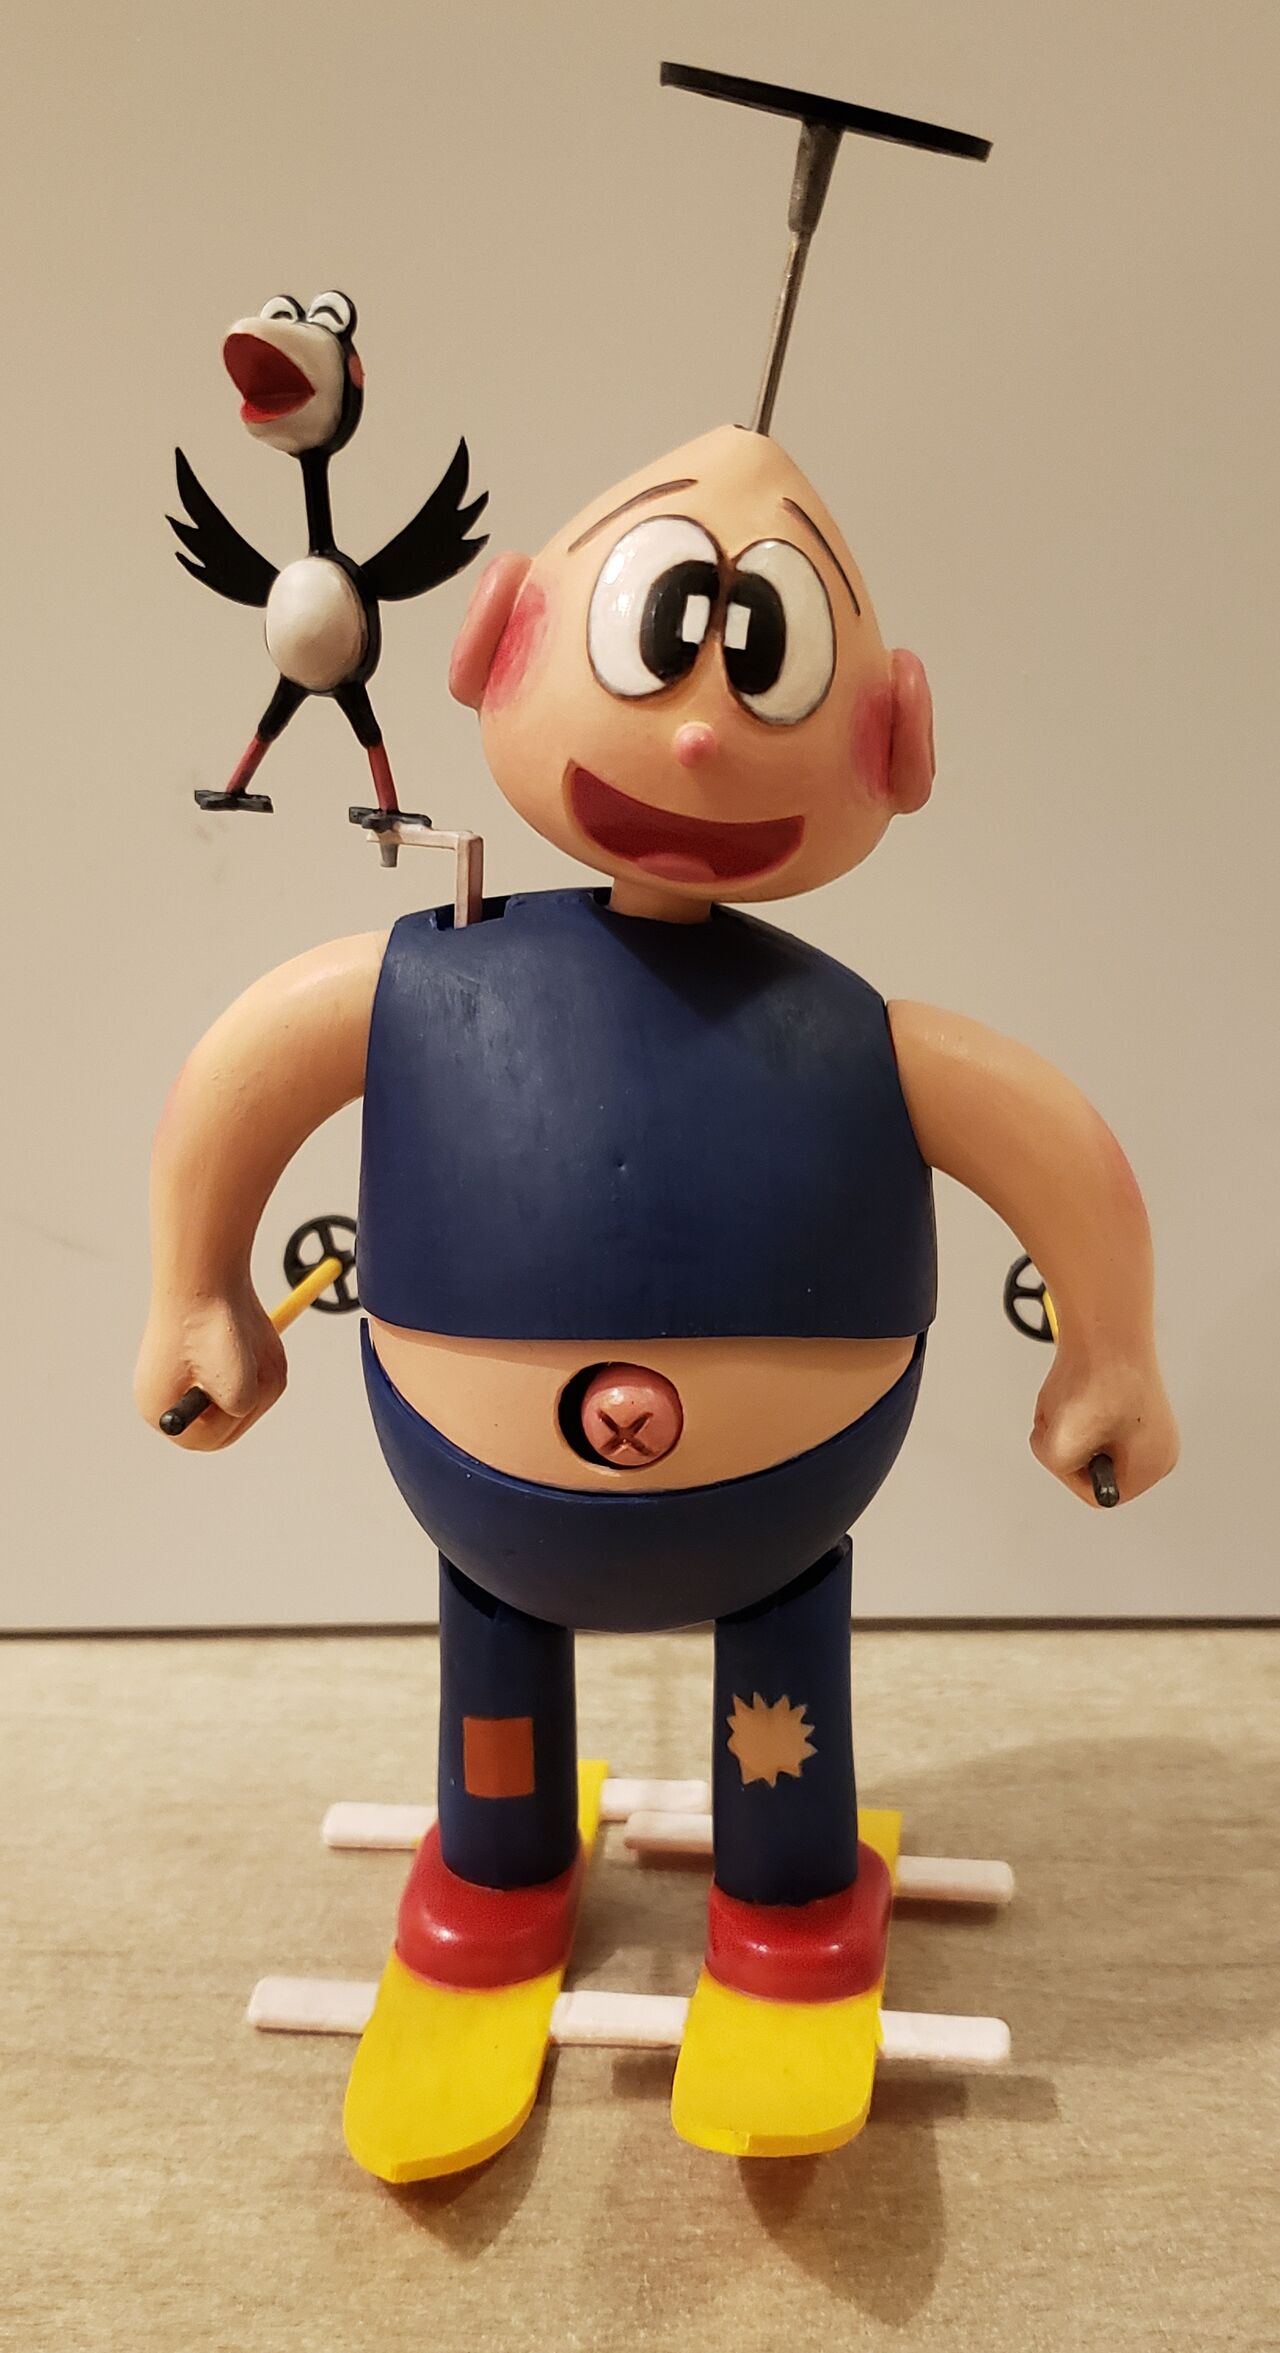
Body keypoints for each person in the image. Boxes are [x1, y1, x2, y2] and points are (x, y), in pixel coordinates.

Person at [136, 420, 1177, 2011]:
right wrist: (195, 1290)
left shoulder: (857, 1037)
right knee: (498, 1664)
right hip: (493, 1516)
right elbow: (251, 1064)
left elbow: (1044, 1137)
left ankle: (785, 1880)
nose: (696, 736)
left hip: (774, 1519)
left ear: (895, 737)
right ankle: (503, 1855)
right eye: (660, 635)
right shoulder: (429, 981)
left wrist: (1110, 1352)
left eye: (763, 658)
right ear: (503, 637)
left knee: (778, 1690)